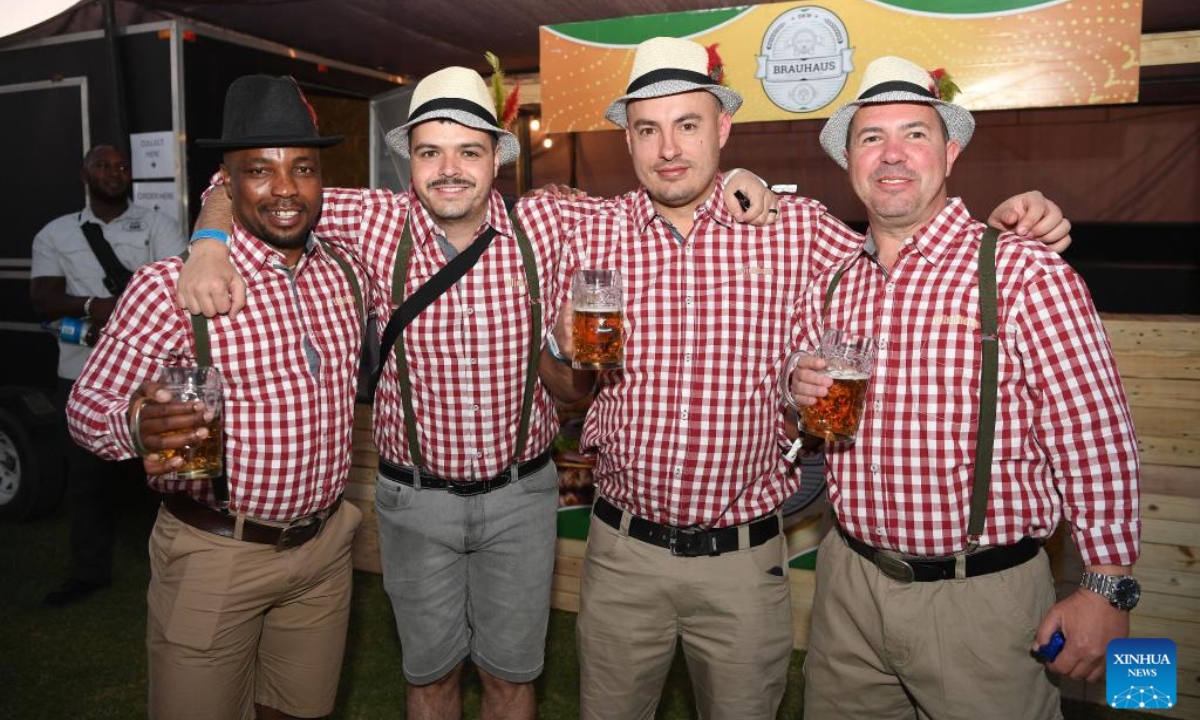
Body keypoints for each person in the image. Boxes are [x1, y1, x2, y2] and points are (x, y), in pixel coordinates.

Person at [175, 66, 777, 720]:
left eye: (469, 150)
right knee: (429, 679)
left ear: (497, 159)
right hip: (416, 500)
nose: (450, 169)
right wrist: (209, 239)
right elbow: (250, 180)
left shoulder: (549, 220)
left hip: (521, 497)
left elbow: (665, 193)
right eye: (431, 151)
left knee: (511, 679)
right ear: (410, 160)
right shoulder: (372, 219)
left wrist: (741, 182)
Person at [548, 37, 1074, 720]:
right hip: (620, 551)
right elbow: (567, 389)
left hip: (743, 558)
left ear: (723, 129)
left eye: (688, 125)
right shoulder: (590, 232)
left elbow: (910, 236)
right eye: (647, 129)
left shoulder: (796, 230)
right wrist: (561, 352)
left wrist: (1023, 216)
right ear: (627, 138)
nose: (668, 147)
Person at [785, 56, 1139, 720]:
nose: (892, 153)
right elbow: (810, 419)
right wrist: (796, 392)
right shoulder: (831, 284)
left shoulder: (1023, 271)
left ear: (948, 153)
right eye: (871, 138)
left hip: (983, 600)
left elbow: (1097, 438)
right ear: (850, 162)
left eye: (914, 134)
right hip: (848, 588)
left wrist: (1106, 589)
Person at [67, 75, 366, 720]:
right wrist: (141, 425)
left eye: (302, 168)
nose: (284, 188)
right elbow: (87, 410)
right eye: (259, 170)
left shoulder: (346, 270)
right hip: (216, 551)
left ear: (323, 181)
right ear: (226, 185)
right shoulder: (166, 288)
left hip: (321, 553)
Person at [31, 143, 185, 606]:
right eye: (104, 165)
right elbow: (43, 296)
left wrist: (124, 312)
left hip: (153, 374)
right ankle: (88, 572)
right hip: (81, 373)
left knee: (172, 473)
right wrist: (91, 306)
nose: (114, 172)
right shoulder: (56, 234)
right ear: (85, 173)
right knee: (87, 480)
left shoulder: (157, 225)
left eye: (121, 166)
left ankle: (175, 570)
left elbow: (177, 283)